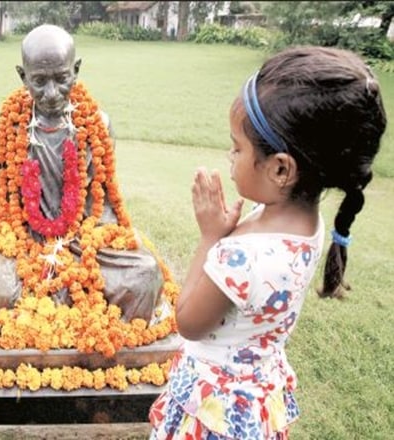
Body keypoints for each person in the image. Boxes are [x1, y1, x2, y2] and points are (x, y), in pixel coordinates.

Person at [149, 46, 386, 439]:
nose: (230, 155)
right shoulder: (309, 223)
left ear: (280, 168)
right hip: (254, 400)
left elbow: (188, 321)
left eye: (238, 147)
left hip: (214, 414)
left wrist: (210, 237)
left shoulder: (240, 258)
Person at [0, 24, 177, 354]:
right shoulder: (7, 125)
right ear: (23, 77)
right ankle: (32, 317)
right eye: (39, 81)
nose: (51, 92)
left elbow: (104, 205)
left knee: (145, 275)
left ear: (76, 70)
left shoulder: (96, 123)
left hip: (84, 238)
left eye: (61, 78)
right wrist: (27, 246)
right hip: (22, 239)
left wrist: (74, 247)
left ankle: (61, 313)